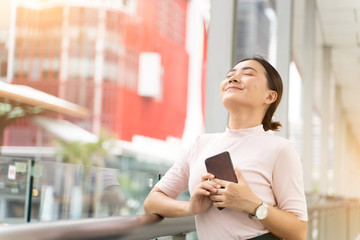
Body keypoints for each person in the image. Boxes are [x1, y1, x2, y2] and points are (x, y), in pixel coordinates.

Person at [144, 56, 308, 240]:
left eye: (247, 73)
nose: (233, 78)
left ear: (269, 96)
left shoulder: (281, 149)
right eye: (230, 75)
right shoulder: (201, 144)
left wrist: (253, 204)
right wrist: (191, 208)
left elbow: (299, 231)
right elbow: (152, 201)